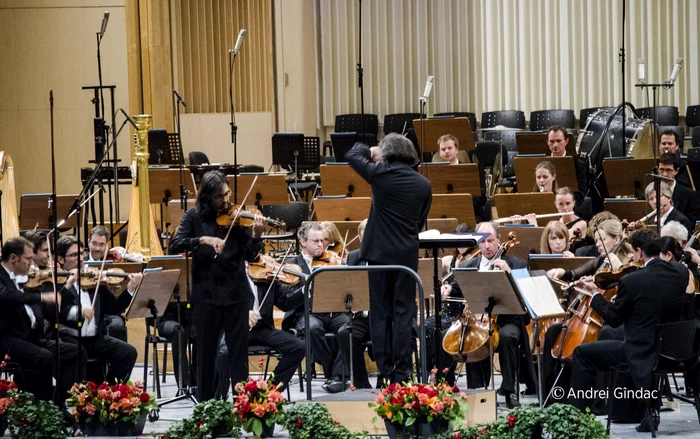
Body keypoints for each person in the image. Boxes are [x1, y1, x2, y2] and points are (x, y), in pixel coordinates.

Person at [569, 229, 688, 432]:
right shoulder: (681, 273)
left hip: (640, 352)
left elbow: (614, 319)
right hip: (674, 352)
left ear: (640, 252)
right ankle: (647, 411)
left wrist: (595, 295)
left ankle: (575, 421)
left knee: (582, 353)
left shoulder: (632, 281)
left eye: (634, 253)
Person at [170, 170, 265, 401]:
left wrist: (256, 237)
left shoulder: (238, 217)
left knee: (238, 357)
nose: (226, 201)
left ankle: (243, 406)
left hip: (236, 295)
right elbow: (175, 244)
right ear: (207, 197)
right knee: (206, 355)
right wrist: (203, 240)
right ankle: (206, 408)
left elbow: (250, 257)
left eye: (228, 194)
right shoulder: (193, 217)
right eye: (220, 197)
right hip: (206, 295)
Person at [347, 133, 432, 385]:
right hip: (406, 254)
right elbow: (420, 220)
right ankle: (402, 372)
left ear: (386, 154)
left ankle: (384, 373)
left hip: (378, 254)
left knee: (381, 312)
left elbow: (352, 154)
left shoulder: (380, 174)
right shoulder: (423, 184)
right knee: (404, 312)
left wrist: (371, 149)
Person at [448, 221, 535, 408]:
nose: (486, 246)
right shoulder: (468, 266)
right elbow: (455, 290)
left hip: (508, 321)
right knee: (471, 335)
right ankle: (477, 390)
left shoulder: (516, 264)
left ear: (499, 240)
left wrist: (509, 274)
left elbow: (527, 299)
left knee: (506, 336)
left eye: (491, 240)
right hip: (479, 320)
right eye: (482, 241)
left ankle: (509, 391)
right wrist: (446, 288)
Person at [0, 237, 85, 414]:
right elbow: (7, 297)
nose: (32, 264)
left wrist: (66, 287)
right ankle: (41, 411)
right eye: (28, 259)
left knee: (76, 353)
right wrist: (40, 296)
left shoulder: (26, 280)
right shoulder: (2, 278)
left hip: (32, 338)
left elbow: (49, 312)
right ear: (14, 258)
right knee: (43, 358)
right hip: (7, 339)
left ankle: (57, 404)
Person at [214, 260, 306, 398]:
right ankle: (220, 394)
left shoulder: (265, 274)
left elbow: (285, 304)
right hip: (235, 328)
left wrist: (305, 291)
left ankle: (269, 392)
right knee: (225, 352)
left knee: (298, 347)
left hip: (263, 329)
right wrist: (242, 313)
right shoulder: (225, 273)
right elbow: (218, 305)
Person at [56, 235, 138, 384]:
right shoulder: (57, 282)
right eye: (74, 255)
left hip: (95, 339)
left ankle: (110, 390)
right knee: (78, 353)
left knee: (128, 352)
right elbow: (55, 311)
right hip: (69, 338)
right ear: (61, 260)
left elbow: (114, 307)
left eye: (81, 253)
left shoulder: (93, 277)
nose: (81, 259)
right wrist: (77, 309)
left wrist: (130, 289)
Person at [283, 222, 350, 390]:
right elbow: (286, 297)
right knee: (313, 329)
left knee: (351, 328)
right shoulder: (292, 264)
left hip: (333, 312)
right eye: (316, 241)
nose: (321, 244)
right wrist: (306, 288)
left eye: (322, 241)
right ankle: (335, 374)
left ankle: (336, 375)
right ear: (303, 242)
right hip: (306, 312)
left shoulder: (332, 260)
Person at [325, 219, 375, 392]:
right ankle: (361, 383)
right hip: (363, 316)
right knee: (344, 333)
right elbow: (347, 286)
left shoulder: (388, 255)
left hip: (385, 315)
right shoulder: (354, 256)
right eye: (364, 237)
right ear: (360, 239)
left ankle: (387, 380)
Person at [425, 223, 474, 386]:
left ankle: (446, 375)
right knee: (427, 325)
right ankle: (433, 370)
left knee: (439, 329)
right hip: (448, 309)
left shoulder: (475, 259)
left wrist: (451, 287)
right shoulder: (450, 260)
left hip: (463, 311)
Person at [84, 225, 128, 342]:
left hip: (109, 311)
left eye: (101, 244)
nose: (97, 248)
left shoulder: (114, 263)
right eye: (94, 243)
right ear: (88, 242)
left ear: (107, 245)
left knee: (117, 324)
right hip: (88, 310)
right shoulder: (82, 263)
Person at [547, 125, 588, 203]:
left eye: (558, 141)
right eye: (552, 141)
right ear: (547, 142)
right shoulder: (541, 162)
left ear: (566, 141)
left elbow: (580, 195)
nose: (555, 145)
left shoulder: (578, 165)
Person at [657, 152, 700, 222]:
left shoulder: (689, 195)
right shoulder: (651, 193)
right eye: (661, 170)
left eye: (668, 170)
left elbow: (692, 223)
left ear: (676, 171)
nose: (664, 174)